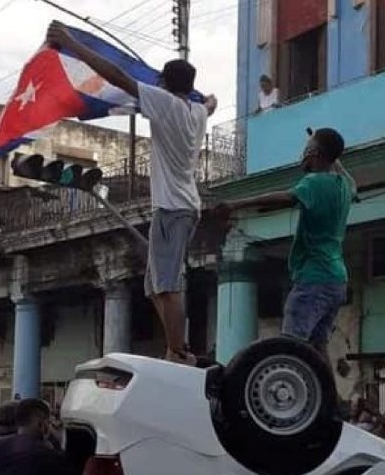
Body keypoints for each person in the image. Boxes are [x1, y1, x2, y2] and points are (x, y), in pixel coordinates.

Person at [46, 21, 218, 366]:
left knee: (167, 283)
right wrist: (210, 98)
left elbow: (115, 76)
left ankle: (178, 351)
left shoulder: (165, 103)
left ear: (165, 84)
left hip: (172, 207)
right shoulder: (197, 111)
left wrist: (72, 44)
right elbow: (211, 103)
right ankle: (175, 345)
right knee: (153, 285)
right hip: (183, 206)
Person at [215, 128, 353, 360]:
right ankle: (329, 397)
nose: (302, 154)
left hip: (313, 279)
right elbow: (345, 174)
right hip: (336, 280)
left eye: (306, 149)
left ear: (314, 153)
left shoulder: (313, 184)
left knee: (291, 347)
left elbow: (285, 197)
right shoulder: (344, 186)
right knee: (319, 349)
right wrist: (332, 156)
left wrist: (235, 204)